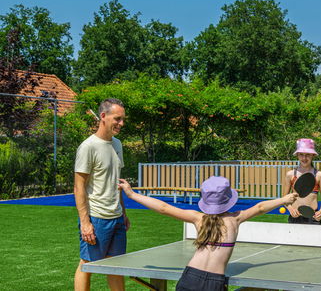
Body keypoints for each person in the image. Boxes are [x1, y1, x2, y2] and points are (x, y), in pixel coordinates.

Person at [118, 176, 298, 291]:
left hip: (189, 278)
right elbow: (260, 207)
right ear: (228, 200)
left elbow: (164, 208)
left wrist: (132, 194)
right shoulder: (235, 219)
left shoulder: (199, 219)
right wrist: (284, 199)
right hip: (214, 282)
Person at [74, 98, 130, 291]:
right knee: (86, 265)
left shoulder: (117, 144)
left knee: (116, 267)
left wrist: (123, 212)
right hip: (96, 218)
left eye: (123, 119)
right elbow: (78, 187)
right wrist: (85, 222)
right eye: (117, 119)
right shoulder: (88, 147)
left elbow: (116, 181)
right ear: (103, 117)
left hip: (116, 217)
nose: (121, 123)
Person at [282, 138, 321, 224]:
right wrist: (290, 209)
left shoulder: (319, 175)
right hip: (295, 217)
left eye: (308, 154)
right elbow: (284, 198)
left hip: (313, 218)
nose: (304, 158)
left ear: (313, 155)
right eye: (301, 154)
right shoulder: (290, 174)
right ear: (297, 155)